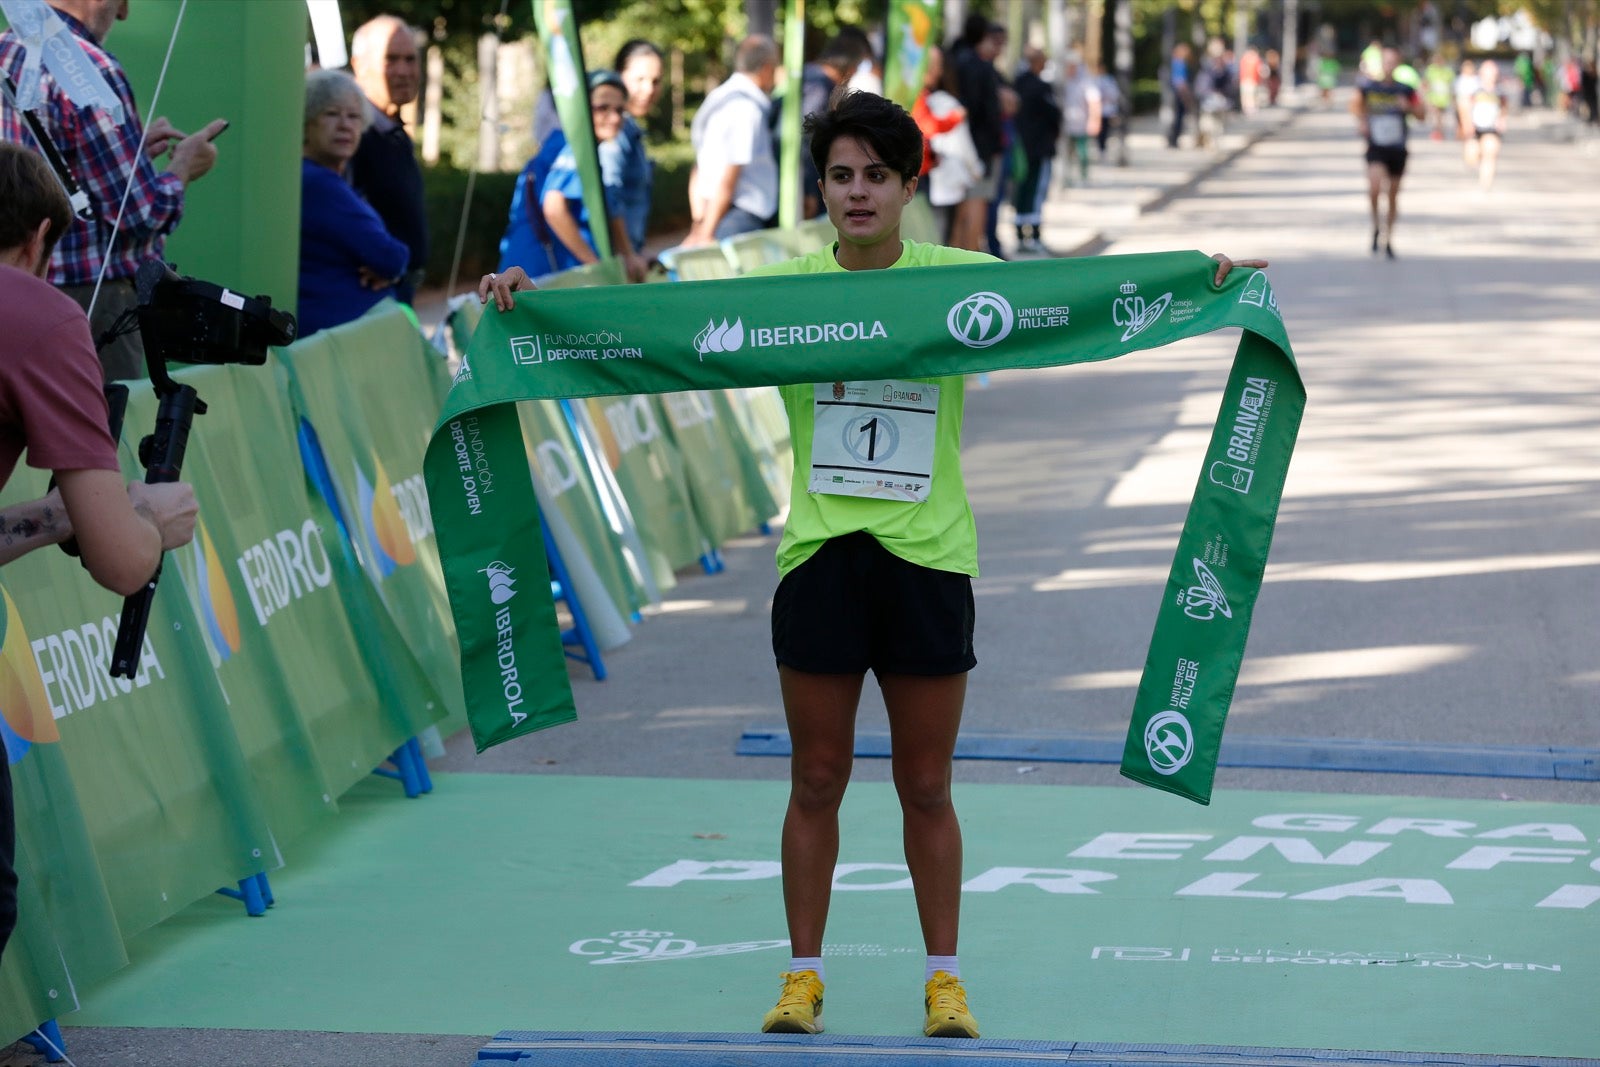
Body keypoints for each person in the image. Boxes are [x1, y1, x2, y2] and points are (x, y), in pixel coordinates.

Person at [480, 89, 1263, 1044]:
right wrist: (532, 303)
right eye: (841, 177)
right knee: (816, 776)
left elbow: (1085, 302)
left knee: (926, 785)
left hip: (927, 559)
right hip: (821, 557)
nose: (858, 193)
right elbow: (654, 327)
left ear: (908, 186)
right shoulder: (785, 294)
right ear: (821, 190)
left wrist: (1201, 278)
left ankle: (945, 980)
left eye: (876, 177)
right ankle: (802, 975)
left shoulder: (957, 280)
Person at [0, 141, 200, 965]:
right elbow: (122, 561)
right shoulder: (38, 314)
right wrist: (143, 512)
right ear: (44, 236)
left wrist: (48, 516)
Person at [0, 0, 226, 381]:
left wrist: (132, 156)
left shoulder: (7, 50)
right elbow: (141, 213)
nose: (124, 13)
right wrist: (183, 167)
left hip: (14, 282)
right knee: (100, 430)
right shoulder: (91, 69)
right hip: (90, 298)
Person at [297, 68, 410, 337]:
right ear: (306, 122)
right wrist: (389, 267)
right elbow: (390, 257)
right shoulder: (318, 184)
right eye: (331, 113)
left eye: (354, 116)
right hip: (332, 334)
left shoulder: (318, 179)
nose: (345, 125)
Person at [347, 15, 428, 306]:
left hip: (399, 289)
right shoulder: (350, 135)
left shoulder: (393, 131)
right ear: (359, 66)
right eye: (390, 59)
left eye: (410, 59)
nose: (404, 71)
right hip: (370, 296)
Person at [685, 35, 779, 244]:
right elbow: (729, 176)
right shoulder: (746, 109)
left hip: (713, 211)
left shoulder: (717, 97)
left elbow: (699, 166)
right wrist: (706, 233)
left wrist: (699, 222)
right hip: (736, 217)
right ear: (766, 68)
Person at [541, 70, 632, 273]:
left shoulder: (585, 147)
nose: (614, 118)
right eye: (602, 108)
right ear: (582, 107)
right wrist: (595, 266)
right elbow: (553, 208)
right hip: (543, 274)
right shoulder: (576, 146)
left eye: (620, 110)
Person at [1351, 46, 1424, 258]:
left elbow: (1422, 114)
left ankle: (1389, 238)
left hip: (1398, 148)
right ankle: (1376, 225)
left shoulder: (1406, 89)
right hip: (1376, 146)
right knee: (1374, 188)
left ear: (1398, 64)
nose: (1389, 65)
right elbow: (1355, 106)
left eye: (1393, 62)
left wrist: (1408, 108)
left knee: (1392, 195)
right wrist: (1362, 121)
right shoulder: (1369, 87)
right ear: (1381, 64)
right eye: (1386, 61)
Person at [602, 39, 663, 282]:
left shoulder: (631, 129)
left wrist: (637, 251)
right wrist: (627, 254)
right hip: (615, 266)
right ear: (619, 77)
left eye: (656, 81)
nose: (649, 89)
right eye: (640, 79)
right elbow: (610, 192)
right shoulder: (614, 131)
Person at [946, 17, 1005, 252]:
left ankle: (959, 256)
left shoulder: (953, 60)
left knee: (959, 211)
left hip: (955, 145)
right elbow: (988, 112)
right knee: (974, 207)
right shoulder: (979, 67)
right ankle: (971, 258)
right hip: (979, 148)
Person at [911, 46, 981, 244]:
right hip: (924, 173)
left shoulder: (923, 95)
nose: (940, 72)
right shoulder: (920, 96)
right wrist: (954, 119)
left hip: (928, 171)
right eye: (936, 67)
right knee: (936, 233)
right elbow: (925, 126)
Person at [1010, 46, 1060, 253]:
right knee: (1037, 191)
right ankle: (1035, 235)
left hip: (1019, 148)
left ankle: (1020, 234)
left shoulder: (1016, 85)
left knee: (1021, 190)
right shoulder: (1041, 87)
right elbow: (1054, 116)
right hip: (1039, 149)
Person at [1460, 59, 1508, 192]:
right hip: (1475, 127)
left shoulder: (1499, 91)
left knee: (1490, 154)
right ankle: (1478, 162)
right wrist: (1467, 124)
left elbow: (1504, 107)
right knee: (1472, 158)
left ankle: (1486, 183)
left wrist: (1502, 120)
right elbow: (1465, 106)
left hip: (1491, 128)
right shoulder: (1474, 89)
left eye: (1493, 73)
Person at [1059, 53, 1101, 184]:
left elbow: (1094, 101)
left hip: (1080, 122)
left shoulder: (1085, 81)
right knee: (1066, 153)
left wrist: (1094, 120)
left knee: (1082, 153)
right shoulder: (1061, 80)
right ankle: (1066, 178)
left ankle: (1083, 176)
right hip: (1064, 124)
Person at [1167, 42, 1194, 147]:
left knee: (1175, 117)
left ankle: (1172, 139)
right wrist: (1187, 96)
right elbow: (1181, 82)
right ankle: (1173, 140)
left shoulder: (1172, 63)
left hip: (1174, 93)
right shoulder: (1180, 63)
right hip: (1179, 94)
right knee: (1178, 118)